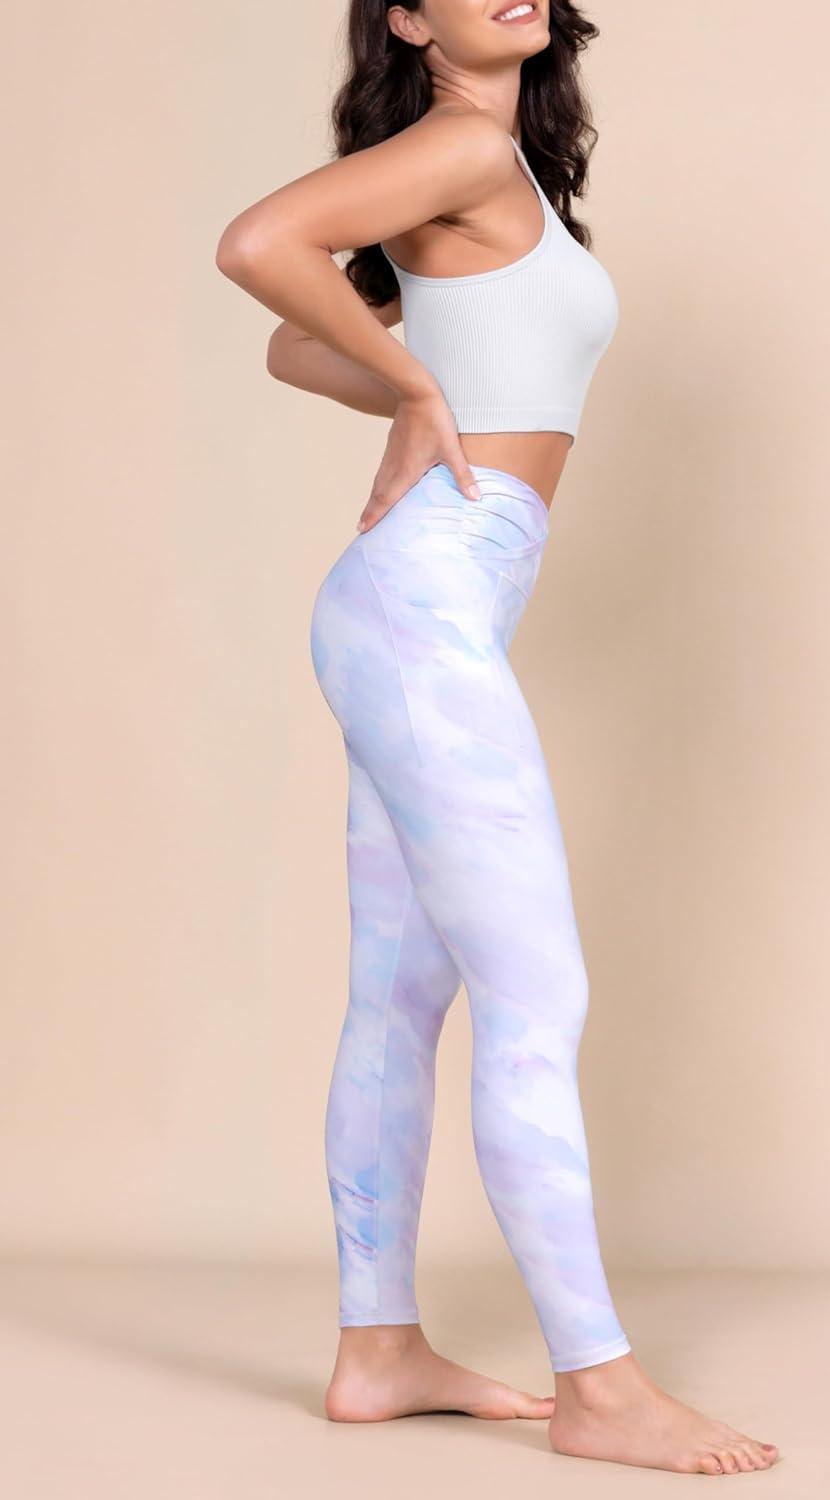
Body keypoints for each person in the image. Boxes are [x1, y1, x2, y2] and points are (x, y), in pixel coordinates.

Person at [215, 0, 779, 1476]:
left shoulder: (488, 159)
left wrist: (424, 386)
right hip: (419, 611)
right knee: (537, 997)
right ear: (408, 16)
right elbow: (260, 249)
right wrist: (415, 390)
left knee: (399, 999)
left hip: (413, 612)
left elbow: (292, 343)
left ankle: (377, 1352)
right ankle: (600, 1386)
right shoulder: (461, 143)